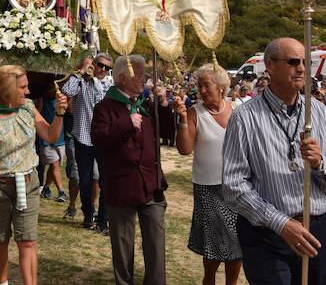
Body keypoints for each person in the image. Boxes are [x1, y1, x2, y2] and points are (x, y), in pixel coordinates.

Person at [222, 38, 326, 285]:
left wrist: (319, 164)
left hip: (316, 229)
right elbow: (233, 185)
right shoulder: (245, 118)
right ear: (269, 65)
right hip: (266, 234)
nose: (302, 68)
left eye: (305, 62)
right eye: (293, 62)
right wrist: (280, 223)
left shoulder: (319, 112)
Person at [0, 64, 67, 285]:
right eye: (23, 87)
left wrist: (60, 113)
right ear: (8, 89)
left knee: (28, 241)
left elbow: (50, 135)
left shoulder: (29, 109)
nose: (27, 91)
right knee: (0, 240)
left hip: (29, 183)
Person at [92, 54, 171, 285]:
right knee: (123, 246)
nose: (144, 78)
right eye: (139, 73)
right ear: (122, 77)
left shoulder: (147, 105)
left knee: (156, 245)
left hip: (151, 185)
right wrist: (126, 123)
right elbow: (98, 139)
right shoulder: (105, 107)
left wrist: (164, 105)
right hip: (122, 186)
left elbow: (167, 133)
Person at [175, 64, 243, 285]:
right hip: (208, 189)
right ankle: (209, 281)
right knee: (213, 247)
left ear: (221, 87)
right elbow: (184, 150)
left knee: (237, 244)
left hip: (238, 188)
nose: (201, 91)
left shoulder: (239, 109)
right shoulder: (196, 112)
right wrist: (183, 118)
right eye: (199, 86)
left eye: (207, 86)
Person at [61, 51, 113, 233]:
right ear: (94, 64)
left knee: (106, 181)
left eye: (107, 67)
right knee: (85, 181)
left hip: (105, 140)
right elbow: (66, 91)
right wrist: (82, 71)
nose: (102, 69)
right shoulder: (82, 82)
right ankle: (88, 215)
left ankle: (103, 220)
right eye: (100, 65)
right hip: (83, 137)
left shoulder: (111, 86)